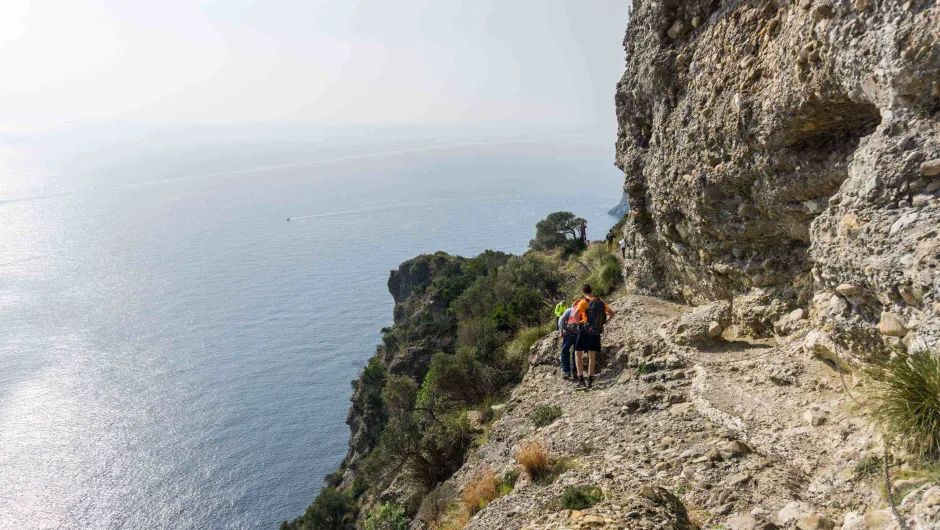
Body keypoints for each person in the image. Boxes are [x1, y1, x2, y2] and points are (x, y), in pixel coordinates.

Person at [572, 284, 614, 389]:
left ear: (582, 292)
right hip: (595, 331)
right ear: (591, 291)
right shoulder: (600, 301)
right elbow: (612, 313)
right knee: (592, 356)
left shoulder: (583, 302)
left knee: (578, 354)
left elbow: (575, 315)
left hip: (584, 331)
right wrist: (604, 323)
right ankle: (590, 380)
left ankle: (581, 379)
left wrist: (580, 323)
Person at [558, 301, 579, 379]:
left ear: (572, 305)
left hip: (569, 334)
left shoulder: (570, 310)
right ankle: (575, 372)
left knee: (565, 351)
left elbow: (561, 319)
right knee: (576, 353)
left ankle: (566, 372)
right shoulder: (583, 310)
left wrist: (561, 331)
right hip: (579, 334)